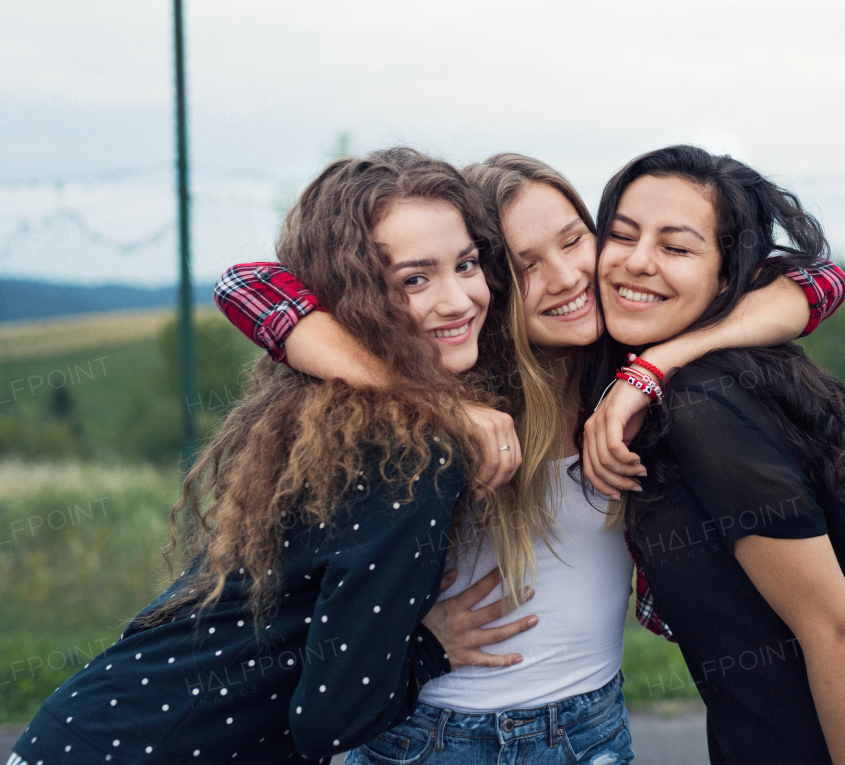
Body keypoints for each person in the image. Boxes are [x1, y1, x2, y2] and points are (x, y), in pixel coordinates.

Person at [210, 151, 845, 764]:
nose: (567, 277)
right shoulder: (452, 384)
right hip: (429, 739)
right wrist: (428, 402)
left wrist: (656, 366)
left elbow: (821, 280)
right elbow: (246, 286)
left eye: (574, 241)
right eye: (525, 265)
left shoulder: (624, 369)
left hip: (589, 733)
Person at [8, 148, 526, 764]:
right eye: (414, 279)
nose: (459, 299)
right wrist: (430, 649)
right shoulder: (412, 456)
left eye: (465, 264)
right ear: (349, 298)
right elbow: (332, 719)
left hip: (82, 732)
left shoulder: (337, 413)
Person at [579, 145, 845, 765]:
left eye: (676, 247)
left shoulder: (706, 402)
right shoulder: (673, 381)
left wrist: (659, 366)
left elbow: (836, 632)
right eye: (621, 236)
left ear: (727, 276)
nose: (636, 262)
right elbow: (818, 283)